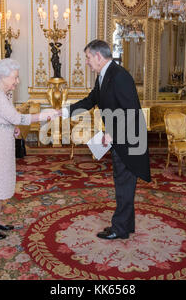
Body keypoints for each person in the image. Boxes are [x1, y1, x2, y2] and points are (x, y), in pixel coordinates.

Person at [60, 39, 151, 240]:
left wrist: (113, 133)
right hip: (120, 138)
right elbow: (91, 100)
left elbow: (131, 112)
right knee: (124, 183)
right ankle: (127, 225)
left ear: (99, 57)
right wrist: (65, 112)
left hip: (130, 141)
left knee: (124, 185)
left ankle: (119, 228)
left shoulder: (120, 77)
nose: (86, 62)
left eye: (88, 57)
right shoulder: (104, 76)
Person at [0, 58, 58, 240]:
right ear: (4, 76)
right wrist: (42, 115)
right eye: (15, 77)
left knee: (2, 178)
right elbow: (16, 117)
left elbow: (3, 117)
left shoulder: (3, 93)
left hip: (0, 138)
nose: (17, 81)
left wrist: (10, 126)